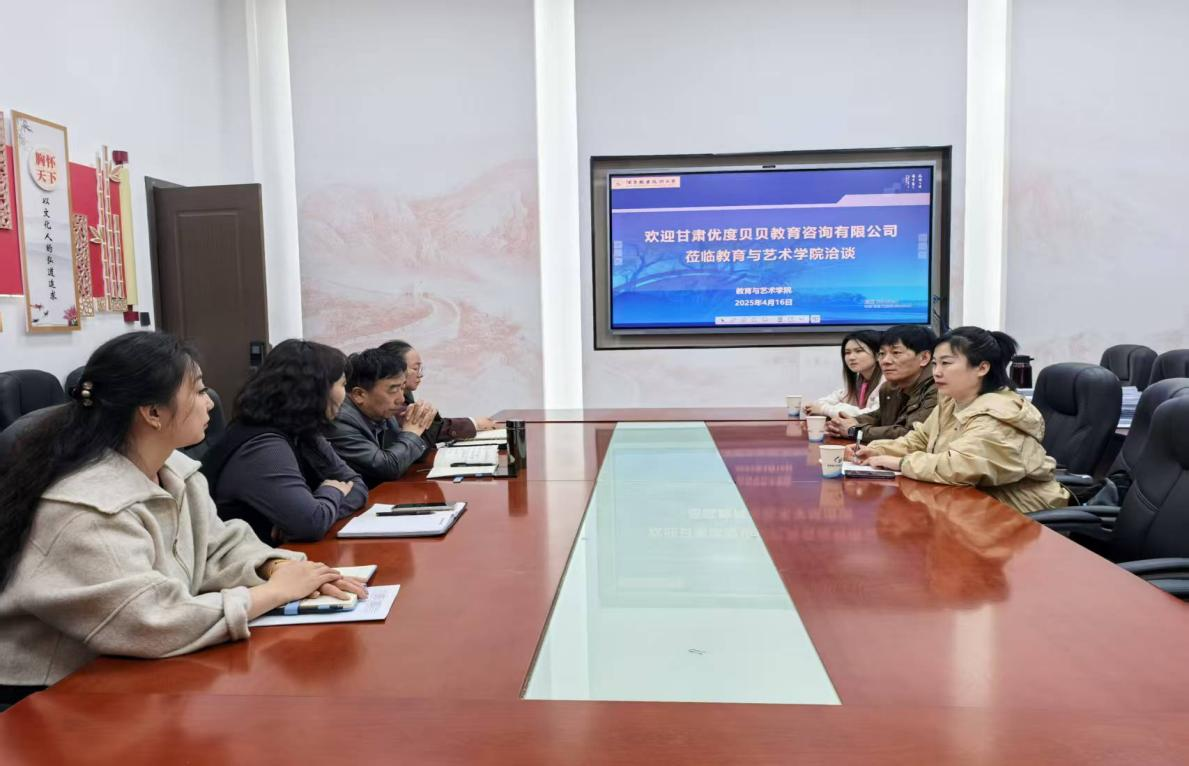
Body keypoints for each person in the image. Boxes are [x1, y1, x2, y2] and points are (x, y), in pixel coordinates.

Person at [0, 332, 365, 701]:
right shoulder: (87, 506)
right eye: (199, 391)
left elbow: (217, 547)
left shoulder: (175, 471)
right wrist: (273, 593)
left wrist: (276, 567)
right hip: (51, 695)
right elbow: (150, 620)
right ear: (153, 413)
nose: (210, 403)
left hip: (129, 671)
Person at [849, 326, 1072, 514]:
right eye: (934, 364)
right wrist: (877, 450)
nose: (936, 372)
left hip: (1020, 513)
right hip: (971, 503)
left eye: (946, 363)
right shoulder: (952, 400)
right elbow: (919, 439)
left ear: (982, 368)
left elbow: (959, 466)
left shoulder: (997, 413)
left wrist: (899, 463)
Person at [203, 340, 368, 543]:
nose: (345, 395)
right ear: (316, 389)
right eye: (342, 384)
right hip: (249, 560)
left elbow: (357, 486)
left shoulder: (304, 432)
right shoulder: (263, 446)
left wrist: (320, 511)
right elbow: (311, 523)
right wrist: (332, 492)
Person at [327, 347, 438, 486]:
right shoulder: (340, 419)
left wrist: (419, 422)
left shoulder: (381, 411)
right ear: (359, 394)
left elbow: (411, 457)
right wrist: (412, 433)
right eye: (393, 389)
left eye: (402, 388)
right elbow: (387, 468)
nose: (401, 399)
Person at [828, 324, 938, 443]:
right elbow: (879, 416)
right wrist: (848, 422)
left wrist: (854, 431)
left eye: (896, 352)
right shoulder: (890, 387)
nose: (885, 361)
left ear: (924, 358)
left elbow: (911, 434)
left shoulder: (937, 388)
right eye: (881, 354)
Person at [378, 340, 498, 445]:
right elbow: (426, 430)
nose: (420, 375)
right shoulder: (389, 404)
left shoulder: (406, 394)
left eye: (420, 369)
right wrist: (474, 423)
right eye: (415, 369)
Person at [804, 330, 885, 419]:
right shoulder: (860, 381)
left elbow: (871, 415)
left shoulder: (887, 381)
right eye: (847, 352)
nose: (851, 357)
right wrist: (820, 408)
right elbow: (819, 403)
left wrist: (825, 410)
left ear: (878, 355)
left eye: (858, 351)